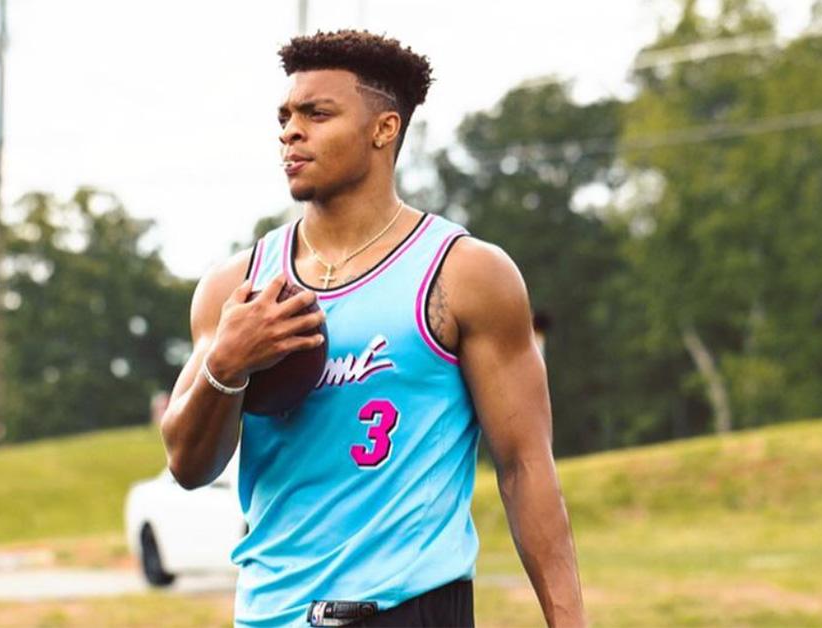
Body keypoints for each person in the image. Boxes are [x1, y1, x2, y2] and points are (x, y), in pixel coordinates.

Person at [160, 29, 585, 627]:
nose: (290, 131)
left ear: (384, 129)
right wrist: (224, 365)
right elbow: (186, 465)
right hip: (270, 614)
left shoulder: (465, 275)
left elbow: (525, 467)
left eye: (317, 113)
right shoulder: (237, 288)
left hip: (411, 610)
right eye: (284, 116)